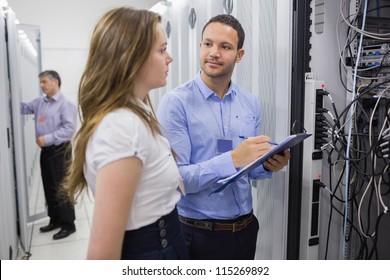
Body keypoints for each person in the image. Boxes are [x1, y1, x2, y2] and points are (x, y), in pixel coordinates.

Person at [157, 14, 291, 260]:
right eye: (208, 44)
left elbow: (247, 171)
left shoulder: (250, 102)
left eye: (225, 46)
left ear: (239, 55)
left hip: (245, 229)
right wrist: (233, 158)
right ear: (200, 47)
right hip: (198, 235)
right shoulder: (176, 103)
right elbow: (176, 180)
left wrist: (269, 166)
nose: (214, 52)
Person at [62, 7, 188, 260]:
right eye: (162, 50)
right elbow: (102, 254)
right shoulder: (121, 127)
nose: (170, 57)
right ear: (132, 58)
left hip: (167, 240)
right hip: (151, 250)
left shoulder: (137, 110)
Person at [21, 70, 77, 240]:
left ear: (55, 82)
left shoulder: (66, 104)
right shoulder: (40, 102)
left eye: (44, 82)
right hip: (46, 151)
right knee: (49, 186)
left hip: (60, 150)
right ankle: (55, 219)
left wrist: (47, 139)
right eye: (41, 82)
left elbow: (69, 130)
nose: (41, 85)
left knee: (62, 187)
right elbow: (23, 108)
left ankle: (68, 224)